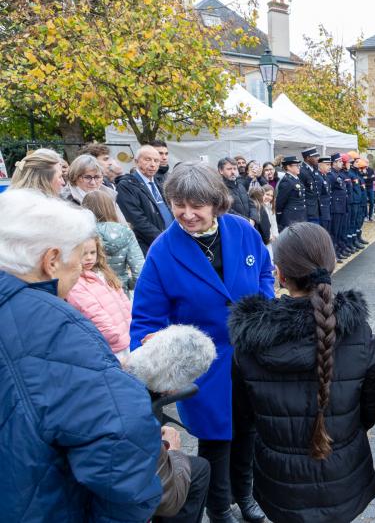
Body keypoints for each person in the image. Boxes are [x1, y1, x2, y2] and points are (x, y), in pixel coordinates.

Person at [0, 189, 162, 521]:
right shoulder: (57, 323)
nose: (78, 275)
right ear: (51, 260)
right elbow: (121, 439)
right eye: (76, 261)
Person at [130, 163, 275, 523]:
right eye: (179, 204)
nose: (187, 214)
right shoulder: (164, 250)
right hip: (206, 367)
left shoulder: (242, 230)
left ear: (216, 203)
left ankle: (246, 494)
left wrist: (265, 307)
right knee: (216, 441)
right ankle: (219, 506)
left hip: (250, 355)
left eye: (196, 205)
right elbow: (146, 319)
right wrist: (149, 364)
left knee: (249, 432)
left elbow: (264, 272)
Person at [229, 222, 375, 522]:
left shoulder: (250, 341)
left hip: (279, 481)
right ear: (330, 265)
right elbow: (373, 406)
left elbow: (245, 416)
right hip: (343, 472)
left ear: (280, 274)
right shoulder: (357, 332)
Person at [66, 235, 133, 360]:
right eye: (83, 254)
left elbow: (124, 300)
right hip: (114, 345)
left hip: (128, 337)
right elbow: (92, 312)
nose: (89, 257)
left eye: (93, 252)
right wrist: (113, 335)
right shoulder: (76, 283)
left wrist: (133, 323)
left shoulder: (103, 273)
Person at [82, 190, 145, 296]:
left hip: (91, 290)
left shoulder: (83, 233)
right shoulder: (125, 231)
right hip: (119, 288)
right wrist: (128, 283)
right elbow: (139, 269)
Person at [116, 144, 174, 254]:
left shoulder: (159, 183)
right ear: (136, 161)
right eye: (147, 160)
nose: (153, 164)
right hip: (151, 246)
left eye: (156, 161)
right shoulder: (126, 186)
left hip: (169, 239)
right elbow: (137, 220)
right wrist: (162, 240)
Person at [62, 154, 128, 222]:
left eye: (97, 177)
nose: (93, 182)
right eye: (87, 177)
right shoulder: (65, 199)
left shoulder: (109, 194)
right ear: (74, 177)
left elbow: (122, 226)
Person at [218, 157, 256, 224]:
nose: (233, 172)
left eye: (235, 169)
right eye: (229, 169)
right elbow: (227, 210)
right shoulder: (220, 188)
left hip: (249, 224)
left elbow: (251, 203)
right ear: (221, 171)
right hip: (235, 225)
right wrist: (247, 221)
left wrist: (253, 218)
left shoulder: (240, 185)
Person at [275, 155, 307, 231]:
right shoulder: (287, 181)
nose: (299, 167)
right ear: (288, 167)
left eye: (298, 165)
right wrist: (279, 215)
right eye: (296, 165)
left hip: (299, 215)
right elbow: (280, 202)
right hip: (291, 217)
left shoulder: (295, 179)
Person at [328, 153, 350, 261]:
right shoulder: (331, 175)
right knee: (334, 232)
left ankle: (337, 251)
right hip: (335, 208)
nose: (342, 163)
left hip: (341, 206)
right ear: (334, 163)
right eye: (340, 161)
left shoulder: (338, 174)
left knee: (339, 231)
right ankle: (333, 254)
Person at [299, 147, 321, 224]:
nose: (318, 158)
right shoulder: (302, 171)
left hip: (316, 209)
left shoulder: (314, 169)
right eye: (315, 157)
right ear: (308, 158)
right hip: (308, 211)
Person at [316, 155, 333, 233]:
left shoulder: (325, 176)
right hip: (322, 210)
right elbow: (318, 196)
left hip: (327, 208)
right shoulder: (318, 177)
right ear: (320, 165)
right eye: (327, 164)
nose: (329, 166)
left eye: (330, 164)